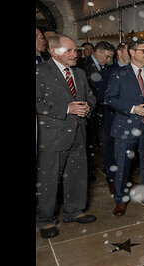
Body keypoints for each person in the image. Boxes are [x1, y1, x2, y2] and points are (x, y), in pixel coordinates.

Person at [36, 34, 97, 239]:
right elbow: (37, 103)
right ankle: (46, 220)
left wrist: (88, 106)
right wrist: (66, 108)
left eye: (75, 50)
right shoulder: (40, 71)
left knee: (78, 175)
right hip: (52, 136)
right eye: (69, 51)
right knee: (49, 179)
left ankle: (74, 211)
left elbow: (90, 96)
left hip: (79, 132)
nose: (75, 54)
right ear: (54, 52)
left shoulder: (79, 73)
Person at [105, 39, 144, 216]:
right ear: (132, 52)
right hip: (125, 127)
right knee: (123, 165)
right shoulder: (119, 74)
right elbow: (110, 99)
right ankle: (120, 199)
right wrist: (133, 109)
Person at [77, 41, 115, 182]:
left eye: (110, 57)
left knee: (105, 140)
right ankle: (87, 172)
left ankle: (109, 168)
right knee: (87, 143)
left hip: (103, 111)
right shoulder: (81, 65)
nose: (109, 60)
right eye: (107, 57)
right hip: (87, 111)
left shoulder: (106, 67)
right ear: (98, 52)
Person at [96, 42, 131, 194]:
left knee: (129, 150)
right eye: (130, 51)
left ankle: (126, 178)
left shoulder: (136, 71)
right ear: (120, 52)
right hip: (113, 117)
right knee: (112, 149)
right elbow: (102, 97)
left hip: (132, 119)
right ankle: (112, 179)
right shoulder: (108, 72)